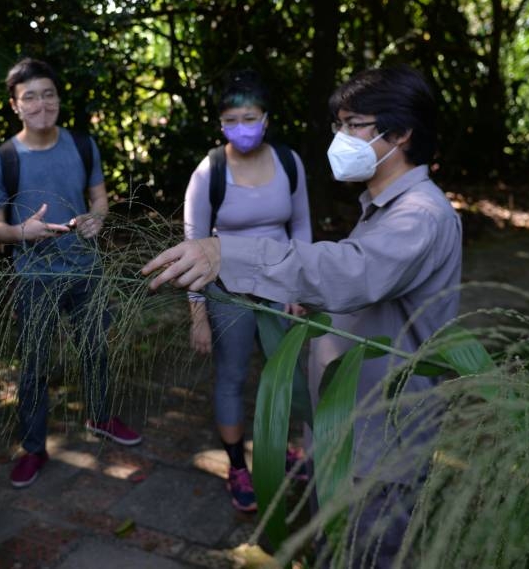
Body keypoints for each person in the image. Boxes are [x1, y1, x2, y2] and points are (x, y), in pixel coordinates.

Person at [143, 65, 462, 564]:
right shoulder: (382, 205)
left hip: (378, 445)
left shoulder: (420, 213)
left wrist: (231, 254)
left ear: (400, 134)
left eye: (353, 123)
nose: (340, 137)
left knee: (366, 554)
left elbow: (352, 271)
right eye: (338, 124)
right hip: (347, 429)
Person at [0, 57, 142, 490]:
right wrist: (21, 232)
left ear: (58, 97)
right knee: (34, 365)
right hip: (35, 278)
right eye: (29, 97)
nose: (41, 104)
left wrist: (96, 221)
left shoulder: (82, 145)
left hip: (85, 269)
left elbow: (100, 201)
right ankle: (34, 448)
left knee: (96, 349)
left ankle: (102, 415)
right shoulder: (2, 160)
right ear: (15, 105)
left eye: (47, 94)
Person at [183, 70, 312, 512]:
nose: (243, 127)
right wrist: (198, 314)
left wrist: (301, 284)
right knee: (233, 375)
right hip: (228, 292)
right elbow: (193, 244)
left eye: (250, 118)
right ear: (221, 124)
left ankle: (281, 448)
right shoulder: (209, 173)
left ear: (266, 119)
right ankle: (238, 465)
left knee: (286, 373)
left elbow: (301, 227)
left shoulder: (289, 163)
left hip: (280, 285)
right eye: (232, 119)